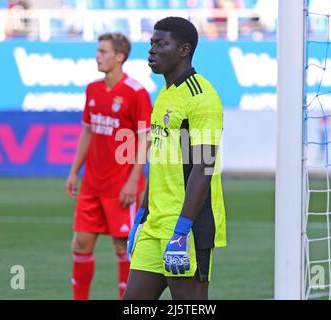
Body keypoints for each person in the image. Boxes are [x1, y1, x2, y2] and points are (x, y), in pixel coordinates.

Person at [123, 17, 226, 300]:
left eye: (161, 43)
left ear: (183, 50)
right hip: (154, 225)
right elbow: (159, 164)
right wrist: (142, 215)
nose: (152, 50)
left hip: (186, 228)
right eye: (151, 43)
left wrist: (182, 230)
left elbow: (204, 166)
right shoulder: (166, 94)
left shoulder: (202, 97)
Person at [66, 32, 152, 300]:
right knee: (80, 244)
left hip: (120, 185)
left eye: (103, 51)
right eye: (97, 51)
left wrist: (133, 179)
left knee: (122, 248)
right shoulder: (92, 89)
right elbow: (88, 132)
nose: (97, 56)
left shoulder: (135, 93)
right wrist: (74, 171)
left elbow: (144, 138)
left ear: (119, 56)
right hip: (92, 183)